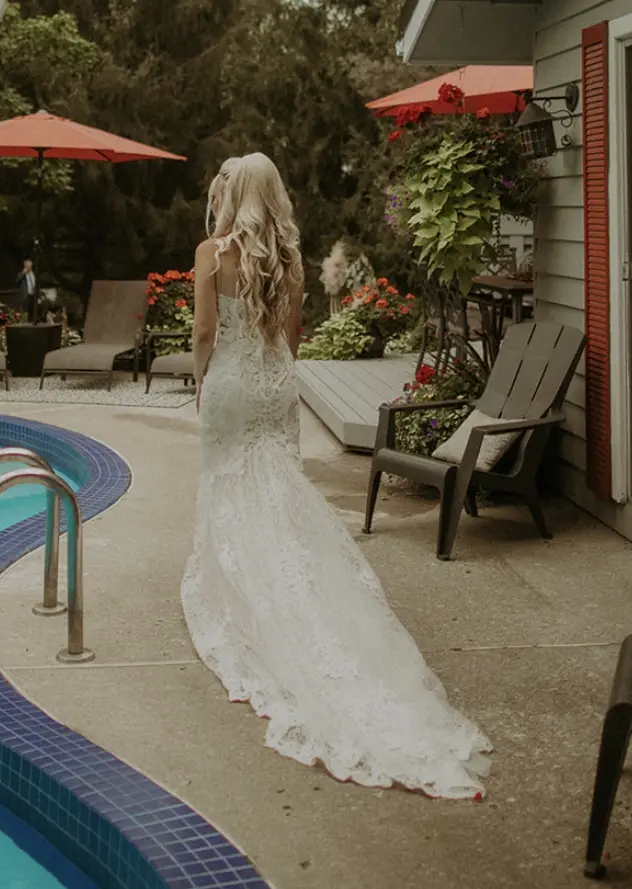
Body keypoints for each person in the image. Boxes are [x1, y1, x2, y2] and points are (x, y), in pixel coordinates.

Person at [180, 153, 491, 800]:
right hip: (274, 383)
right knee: (279, 487)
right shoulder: (290, 260)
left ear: (233, 194)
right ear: (276, 195)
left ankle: (236, 582)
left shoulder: (211, 253)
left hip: (234, 385)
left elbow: (206, 330)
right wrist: (269, 366)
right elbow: (292, 335)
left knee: (233, 483)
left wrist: (201, 375)